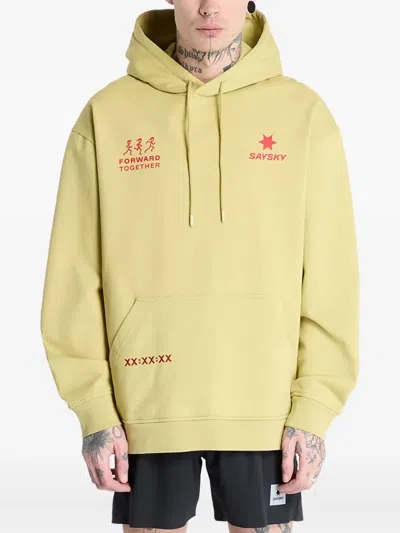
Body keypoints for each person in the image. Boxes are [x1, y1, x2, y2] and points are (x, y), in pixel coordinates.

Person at [40, 1, 359, 532]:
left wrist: (315, 406)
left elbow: (331, 275)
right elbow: (73, 274)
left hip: (265, 403)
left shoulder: (303, 115)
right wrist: (94, 408)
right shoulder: (108, 113)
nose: (209, 7)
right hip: (147, 401)